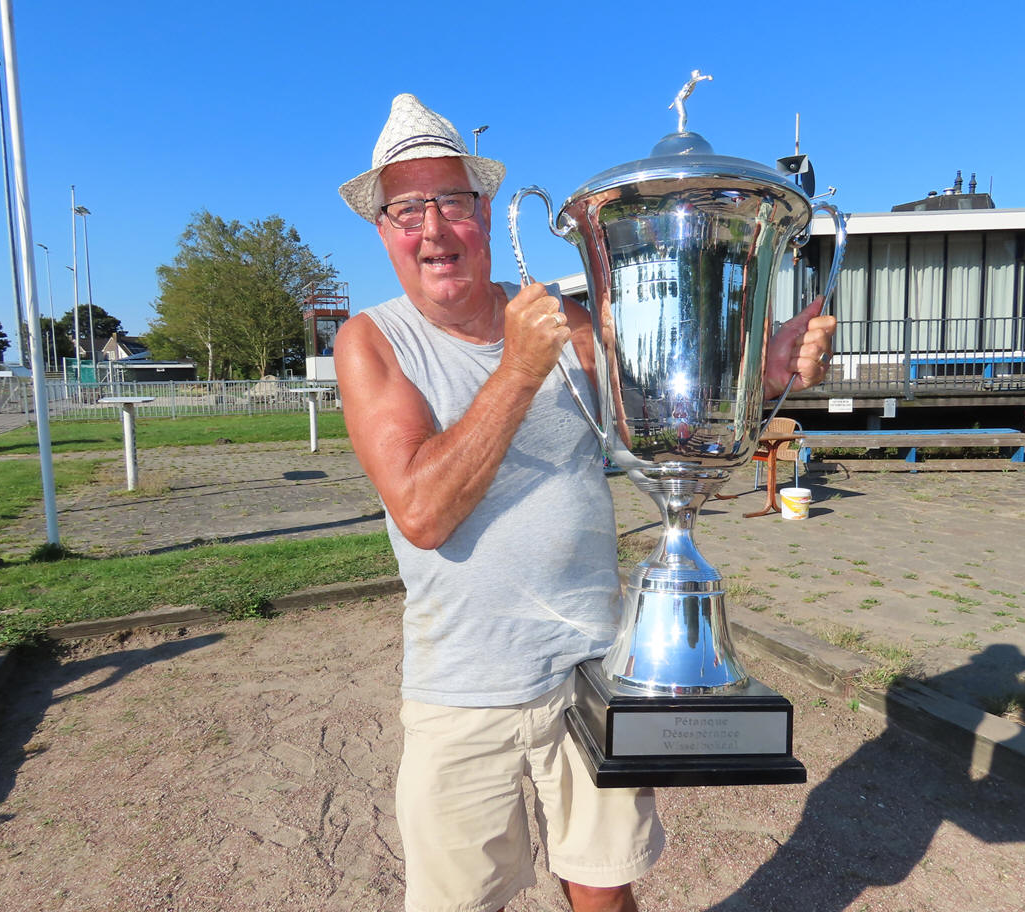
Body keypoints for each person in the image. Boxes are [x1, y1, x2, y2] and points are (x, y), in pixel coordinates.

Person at [334, 93, 836, 912]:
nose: (432, 229)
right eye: (406, 209)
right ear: (383, 228)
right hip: (465, 686)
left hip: (594, 669)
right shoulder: (372, 341)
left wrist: (769, 372)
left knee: (604, 894)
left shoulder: (563, 321)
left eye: (451, 202)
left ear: (485, 211)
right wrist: (518, 371)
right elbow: (422, 512)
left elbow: (664, 426)